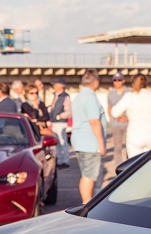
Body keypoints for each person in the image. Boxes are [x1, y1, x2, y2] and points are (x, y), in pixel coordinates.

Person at [70, 70, 107, 203]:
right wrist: (101, 144)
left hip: (80, 141)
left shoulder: (79, 97)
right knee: (89, 175)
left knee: (86, 174)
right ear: (95, 82)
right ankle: (86, 204)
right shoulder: (90, 98)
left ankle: (87, 202)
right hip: (90, 143)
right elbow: (94, 121)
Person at [111, 74, 151, 158]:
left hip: (135, 135)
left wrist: (127, 118)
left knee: (135, 166)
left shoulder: (130, 96)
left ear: (133, 83)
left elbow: (114, 112)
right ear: (146, 83)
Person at [106, 72, 130, 169]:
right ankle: (119, 167)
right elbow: (109, 108)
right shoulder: (110, 93)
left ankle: (131, 166)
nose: (117, 82)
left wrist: (127, 118)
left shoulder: (129, 92)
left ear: (123, 81)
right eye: (115, 80)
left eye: (119, 80)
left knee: (129, 146)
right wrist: (114, 118)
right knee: (117, 147)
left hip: (128, 123)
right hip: (116, 124)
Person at [50, 79, 72, 167]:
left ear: (60, 85)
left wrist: (60, 116)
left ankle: (65, 161)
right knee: (57, 143)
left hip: (61, 123)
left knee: (63, 142)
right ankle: (59, 160)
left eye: (55, 84)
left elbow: (68, 111)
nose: (54, 86)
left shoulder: (65, 97)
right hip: (55, 122)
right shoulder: (56, 96)